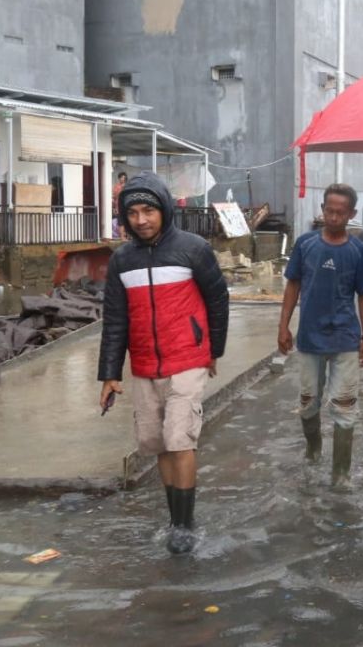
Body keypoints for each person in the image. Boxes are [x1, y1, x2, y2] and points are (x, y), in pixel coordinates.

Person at [97, 172, 229, 555]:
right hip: (143, 365)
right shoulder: (122, 260)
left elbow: (218, 302)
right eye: (133, 212)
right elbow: (115, 320)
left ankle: (186, 526)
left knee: (179, 438)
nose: (141, 220)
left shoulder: (193, 249)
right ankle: (175, 519)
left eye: (149, 210)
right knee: (155, 443)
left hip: (187, 358)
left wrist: (213, 350)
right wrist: (109, 374)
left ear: (165, 209)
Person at [277, 183, 363, 488]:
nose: (333, 217)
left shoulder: (358, 251)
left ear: (351, 214)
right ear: (322, 210)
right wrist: (283, 326)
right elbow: (293, 285)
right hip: (309, 337)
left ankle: (341, 473)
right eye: (328, 210)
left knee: (345, 406)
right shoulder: (306, 244)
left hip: (345, 338)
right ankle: (313, 448)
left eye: (340, 212)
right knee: (308, 402)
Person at [111, 171, 127, 239]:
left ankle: (127, 236)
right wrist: (114, 208)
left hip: (127, 207)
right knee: (120, 222)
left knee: (127, 222)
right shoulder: (116, 187)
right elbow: (114, 197)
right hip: (119, 207)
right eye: (121, 177)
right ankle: (122, 236)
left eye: (123, 178)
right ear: (119, 178)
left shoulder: (128, 185)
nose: (122, 179)